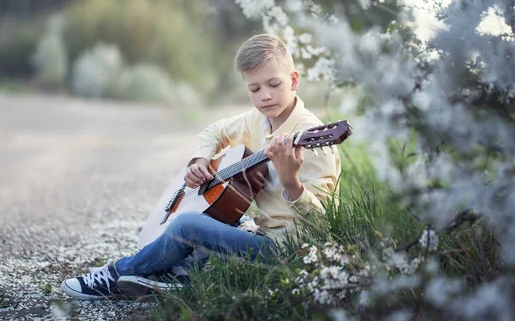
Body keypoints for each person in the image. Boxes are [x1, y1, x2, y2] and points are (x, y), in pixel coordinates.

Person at [61, 34, 341, 300]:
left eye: (273, 85)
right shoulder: (258, 119)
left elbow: (323, 227)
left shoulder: (315, 142)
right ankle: (177, 276)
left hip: (287, 251)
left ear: (293, 80)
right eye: (254, 89)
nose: (264, 96)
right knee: (227, 212)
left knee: (186, 224)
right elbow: (215, 130)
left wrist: (292, 183)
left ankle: (115, 276)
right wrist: (200, 160)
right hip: (263, 230)